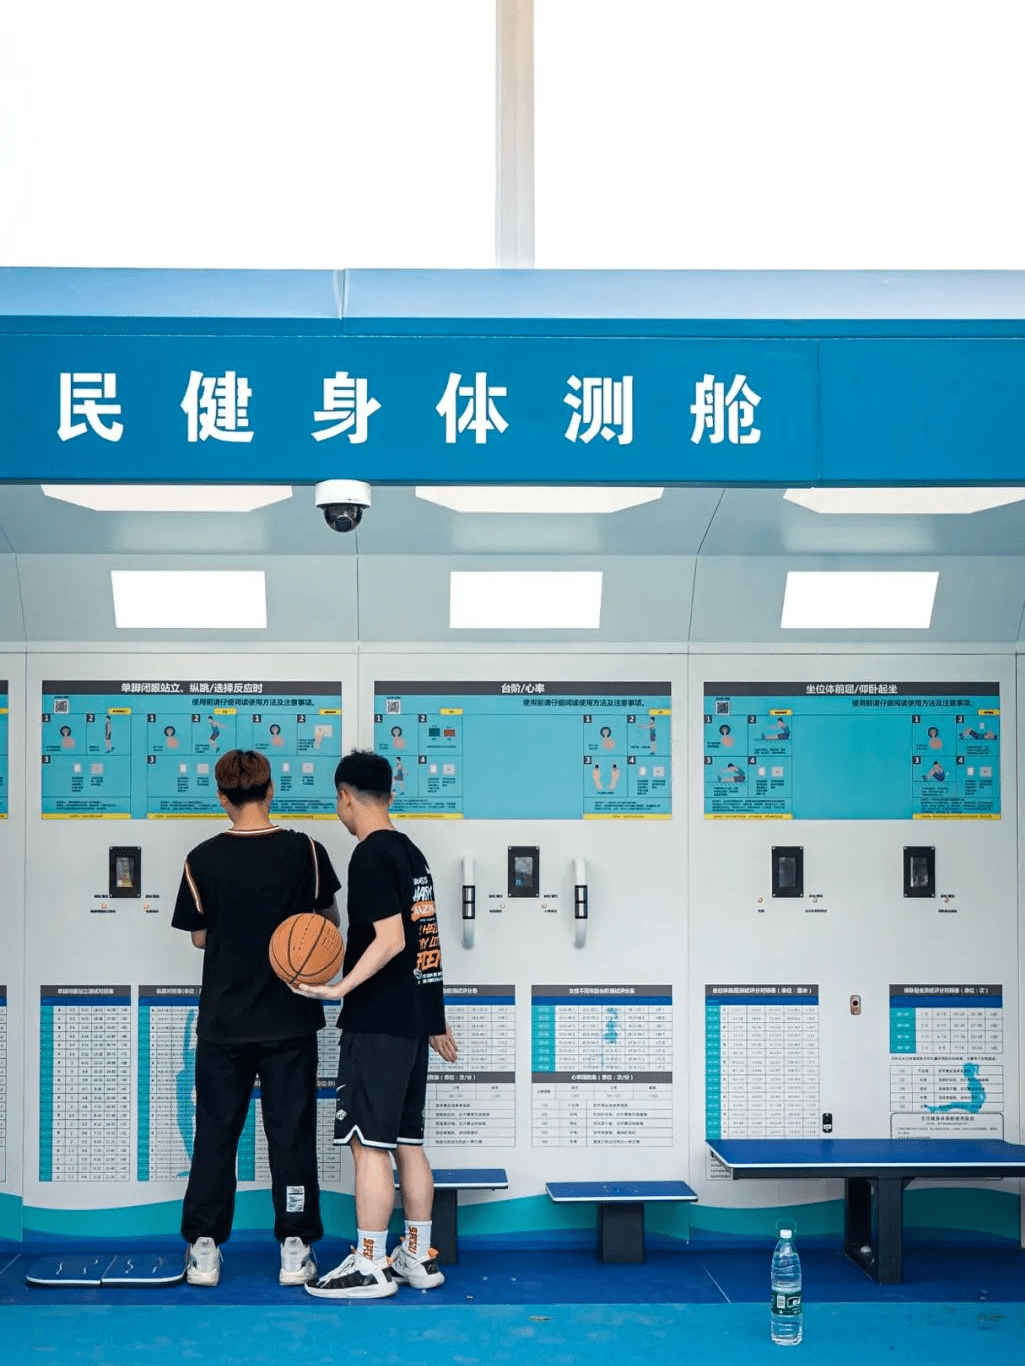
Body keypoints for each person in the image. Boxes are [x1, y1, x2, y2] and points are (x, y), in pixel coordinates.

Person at [171, 749, 341, 1288]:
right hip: (290, 1020)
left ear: (222, 799)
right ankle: (295, 1247)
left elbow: (200, 937)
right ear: (271, 791)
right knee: (291, 1137)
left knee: (215, 1136)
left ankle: (204, 1250)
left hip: (224, 1024)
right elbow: (328, 925)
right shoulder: (306, 851)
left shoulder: (200, 858)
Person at [297, 750, 457, 1300]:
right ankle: (415, 1255)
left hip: (377, 1023)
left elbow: (391, 941)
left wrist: (341, 987)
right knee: (407, 1141)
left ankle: (369, 1263)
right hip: (410, 1024)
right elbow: (427, 944)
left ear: (345, 797)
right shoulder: (412, 853)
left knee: (368, 1145)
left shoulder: (369, 854)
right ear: (389, 794)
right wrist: (433, 1018)